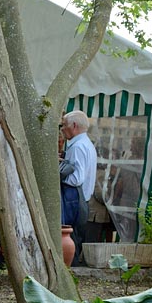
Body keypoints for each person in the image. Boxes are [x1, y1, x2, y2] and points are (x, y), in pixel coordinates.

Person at [59, 110, 97, 265]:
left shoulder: (77, 147)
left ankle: (69, 272)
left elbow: (75, 179)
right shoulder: (86, 144)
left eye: (64, 126)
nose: (62, 130)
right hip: (82, 200)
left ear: (74, 126)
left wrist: (59, 170)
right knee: (75, 240)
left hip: (73, 198)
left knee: (68, 238)